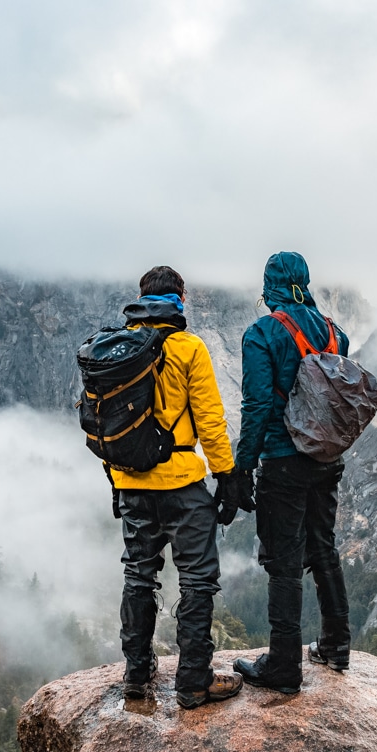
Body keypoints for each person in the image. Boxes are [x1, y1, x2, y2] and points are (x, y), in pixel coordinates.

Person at [110, 265, 245, 709]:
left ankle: (136, 676)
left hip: (130, 483)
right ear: (180, 299)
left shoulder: (116, 349)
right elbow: (210, 420)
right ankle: (193, 682)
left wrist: (117, 481)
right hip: (183, 485)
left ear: (142, 298)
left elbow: (106, 427)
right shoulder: (189, 348)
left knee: (138, 576)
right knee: (198, 582)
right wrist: (226, 477)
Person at [231, 252, 352, 694]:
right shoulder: (336, 333)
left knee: (284, 563)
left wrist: (242, 467)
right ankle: (336, 646)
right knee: (323, 547)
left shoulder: (262, 334)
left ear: (270, 287)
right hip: (327, 459)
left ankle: (284, 667)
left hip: (284, 462)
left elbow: (258, 406)